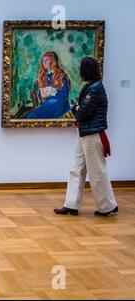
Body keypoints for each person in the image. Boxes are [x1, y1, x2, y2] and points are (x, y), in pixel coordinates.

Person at [54, 57, 118, 217]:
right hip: (84, 133)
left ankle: (108, 206)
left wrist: (75, 107)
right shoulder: (92, 86)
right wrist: (78, 107)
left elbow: (83, 112)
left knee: (97, 172)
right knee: (75, 169)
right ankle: (71, 205)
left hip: (92, 135)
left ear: (86, 70)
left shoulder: (95, 88)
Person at [24, 51, 71, 119]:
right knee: (29, 116)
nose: (43, 63)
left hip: (60, 105)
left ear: (53, 61)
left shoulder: (62, 76)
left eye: (46, 61)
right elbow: (41, 96)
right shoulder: (44, 76)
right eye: (42, 61)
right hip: (48, 104)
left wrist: (52, 91)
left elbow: (64, 96)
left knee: (32, 116)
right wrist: (42, 93)